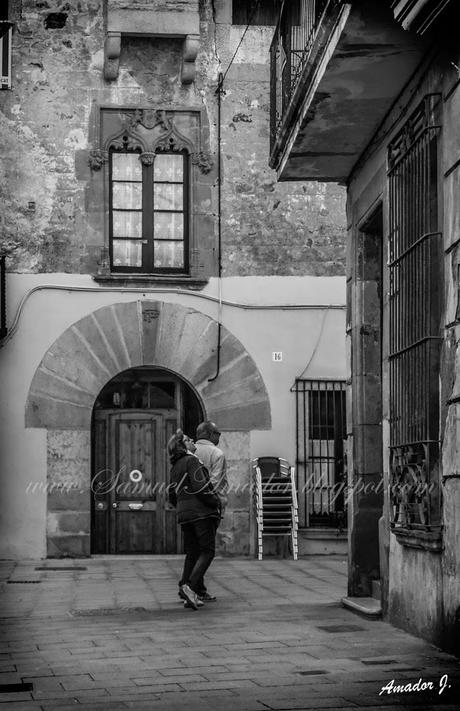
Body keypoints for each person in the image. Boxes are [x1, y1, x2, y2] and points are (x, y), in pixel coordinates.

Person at [167, 429, 221, 610]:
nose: (193, 442)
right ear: (183, 445)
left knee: (192, 552)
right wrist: (215, 502)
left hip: (185, 515)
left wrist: (182, 506)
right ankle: (189, 586)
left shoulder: (176, 466)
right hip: (201, 514)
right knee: (207, 551)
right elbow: (201, 487)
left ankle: (186, 588)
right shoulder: (191, 461)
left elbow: (171, 494)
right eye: (189, 440)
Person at [194, 421, 228, 518]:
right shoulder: (217, 453)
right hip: (210, 506)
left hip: (191, 505)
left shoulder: (189, 451)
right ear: (210, 434)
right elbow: (215, 482)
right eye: (218, 434)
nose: (219, 437)